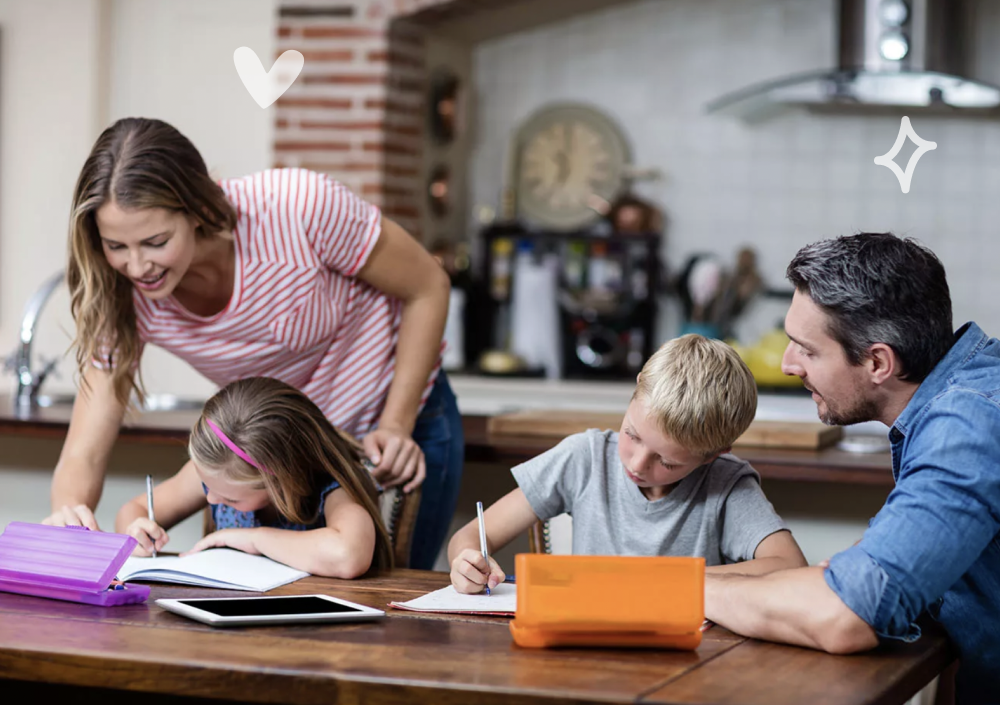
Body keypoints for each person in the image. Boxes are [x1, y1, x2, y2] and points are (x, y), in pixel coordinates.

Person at [45, 117, 462, 569]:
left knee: (390, 603)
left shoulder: (299, 208)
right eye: (115, 246)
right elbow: (84, 449)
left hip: (392, 425)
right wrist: (69, 515)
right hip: (269, 458)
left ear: (198, 208)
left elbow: (428, 286)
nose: (137, 266)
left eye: (156, 241)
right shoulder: (120, 291)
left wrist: (396, 424)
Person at [704, 233, 1000, 704]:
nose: (786, 364)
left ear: (878, 362)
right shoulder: (970, 389)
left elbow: (846, 613)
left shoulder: (966, 426)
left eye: (807, 349)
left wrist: (686, 591)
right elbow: (862, 576)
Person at [448, 334, 807, 594]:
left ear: (714, 455)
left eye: (666, 461)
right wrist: (466, 562)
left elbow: (789, 566)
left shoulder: (726, 484)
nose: (636, 464)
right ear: (635, 392)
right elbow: (471, 536)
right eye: (632, 435)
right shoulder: (584, 457)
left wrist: (668, 580)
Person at [116, 377, 392, 576]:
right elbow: (133, 510)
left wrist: (254, 538)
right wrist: (136, 531)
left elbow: (348, 555)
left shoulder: (331, 490)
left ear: (283, 483)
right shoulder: (216, 474)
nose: (210, 497)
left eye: (230, 498)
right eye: (207, 486)